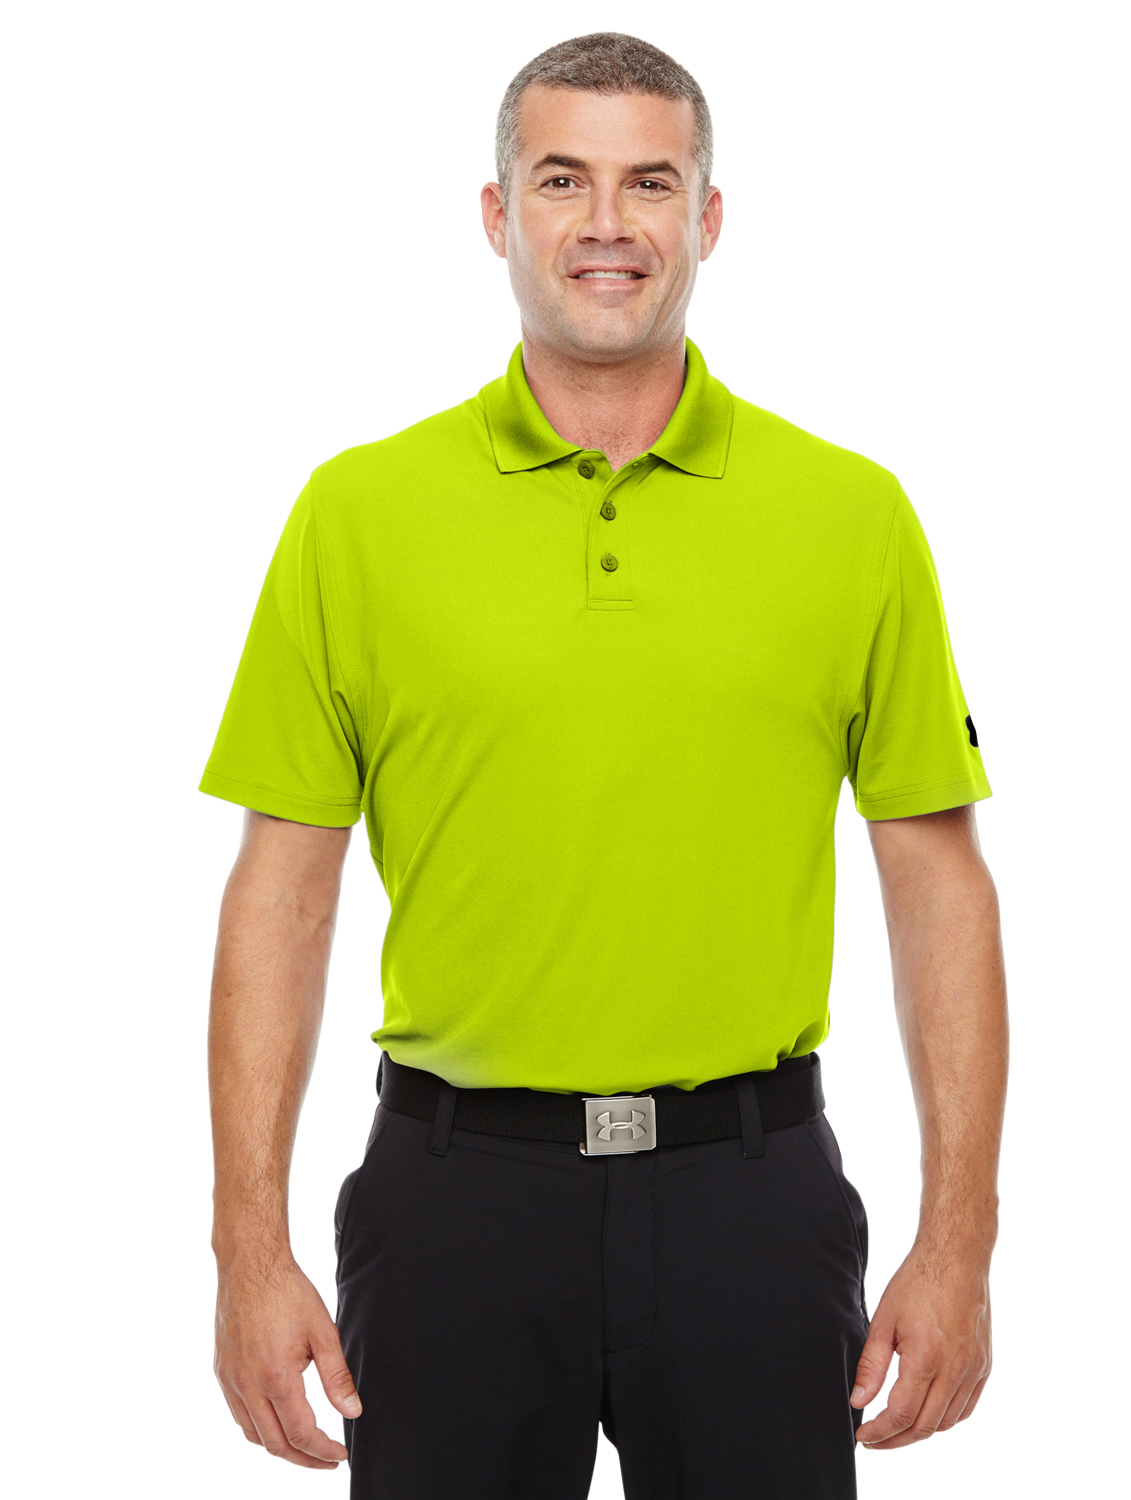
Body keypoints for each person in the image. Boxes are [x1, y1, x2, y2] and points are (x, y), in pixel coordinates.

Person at [202, 31, 1007, 1500]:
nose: (608, 224)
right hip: (450, 1203)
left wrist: (961, 1241)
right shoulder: (357, 515)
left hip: (751, 1198)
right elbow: (281, 892)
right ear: (497, 213)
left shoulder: (852, 517)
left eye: (651, 183)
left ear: (709, 216)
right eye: (562, 179)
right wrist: (245, 1248)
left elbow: (939, 885)